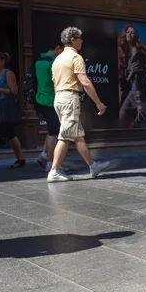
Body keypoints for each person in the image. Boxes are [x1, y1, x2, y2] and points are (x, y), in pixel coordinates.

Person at [47, 27, 111, 182]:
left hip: (59, 98)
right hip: (69, 97)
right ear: (73, 40)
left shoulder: (58, 59)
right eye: (80, 38)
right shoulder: (75, 57)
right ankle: (54, 171)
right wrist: (98, 103)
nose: (82, 41)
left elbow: (55, 83)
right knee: (65, 136)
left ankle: (93, 166)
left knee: (77, 135)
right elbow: (86, 83)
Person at [34, 43, 63, 171]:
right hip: (50, 101)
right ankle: (51, 165)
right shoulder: (53, 62)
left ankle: (43, 156)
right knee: (54, 133)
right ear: (57, 48)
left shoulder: (39, 60)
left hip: (40, 99)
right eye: (61, 50)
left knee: (52, 129)